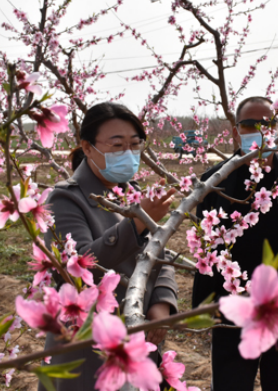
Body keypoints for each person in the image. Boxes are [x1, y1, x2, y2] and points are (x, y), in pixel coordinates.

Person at [39, 102, 178, 391]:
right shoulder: (65, 200)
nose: (127, 154)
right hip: (89, 342)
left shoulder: (133, 193)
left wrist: (162, 304)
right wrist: (138, 223)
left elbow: (158, 254)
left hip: (138, 334)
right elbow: (80, 270)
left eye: (134, 145)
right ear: (88, 148)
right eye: (117, 145)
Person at [191, 96, 278, 391]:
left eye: (268, 123)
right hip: (234, 310)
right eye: (250, 123)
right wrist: (205, 306)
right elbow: (207, 250)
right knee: (231, 383)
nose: (260, 129)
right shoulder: (213, 182)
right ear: (236, 131)